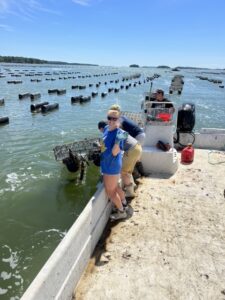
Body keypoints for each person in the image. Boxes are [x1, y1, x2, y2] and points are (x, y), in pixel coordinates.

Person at [99, 109, 128, 221]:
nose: (111, 121)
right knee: (115, 187)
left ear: (118, 120)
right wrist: (99, 146)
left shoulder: (119, 134)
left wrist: (117, 141)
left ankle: (121, 211)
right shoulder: (106, 128)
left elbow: (115, 152)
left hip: (111, 167)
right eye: (109, 118)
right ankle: (124, 202)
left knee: (110, 192)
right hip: (106, 163)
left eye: (114, 119)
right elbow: (104, 143)